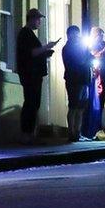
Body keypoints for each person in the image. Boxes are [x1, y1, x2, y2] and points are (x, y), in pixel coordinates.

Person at [15, 8, 59, 144]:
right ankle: (26, 134)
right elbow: (31, 53)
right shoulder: (25, 34)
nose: (39, 22)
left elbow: (34, 54)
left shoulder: (29, 34)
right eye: (38, 19)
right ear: (32, 19)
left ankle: (30, 134)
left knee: (34, 103)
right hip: (30, 74)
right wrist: (46, 47)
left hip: (34, 74)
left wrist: (45, 53)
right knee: (31, 103)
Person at [61, 26, 92, 142]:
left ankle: (77, 132)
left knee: (81, 108)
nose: (77, 36)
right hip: (74, 80)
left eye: (78, 34)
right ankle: (71, 132)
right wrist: (87, 54)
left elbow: (89, 58)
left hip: (84, 79)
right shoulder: (68, 48)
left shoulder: (81, 47)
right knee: (73, 106)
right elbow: (81, 61)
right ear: (69, 35)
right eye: (74, 34)